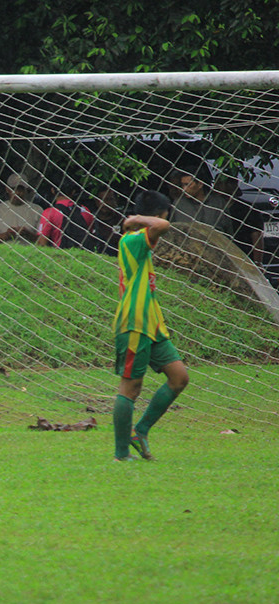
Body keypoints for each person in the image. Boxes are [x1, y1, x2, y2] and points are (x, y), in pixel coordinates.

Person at [111, 190, 190, 462]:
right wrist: (138, 220)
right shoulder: (132, 240)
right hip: (134, 321)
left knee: (179, 377)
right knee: (130, 387)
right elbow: (163, 226)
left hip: (153, 324)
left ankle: (140, 430)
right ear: (160, 213)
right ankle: (121, 454)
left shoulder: (137, 240)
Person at [214, 173, 264, 266]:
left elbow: (256, 236)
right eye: (215, 183)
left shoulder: (247, 209)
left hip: (244, 256)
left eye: (220, 184)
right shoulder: (212, 207)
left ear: (232, 186)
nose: (216, 187)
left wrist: (257, 262)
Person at [36, 178, 94, 249]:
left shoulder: (50, 212)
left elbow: (42, 242)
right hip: (83, 255)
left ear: (53, 190)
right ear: (73, 192)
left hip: (59, 255)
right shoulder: (85, 211)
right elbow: (90, 233)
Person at [0, 173, 42, 243]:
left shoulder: (37, 210)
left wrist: (28, 234)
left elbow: (43, 239)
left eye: (21, 189)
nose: (17, 193)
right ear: (7, 189)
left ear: (26, 190)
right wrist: (7, 235)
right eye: (14, 189)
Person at [171, 169, 231, 234]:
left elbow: (228, 230)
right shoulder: (179, 204)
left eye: (188, 185)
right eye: (182, 185)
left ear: (200, 184)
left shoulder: (218, 203)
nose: (184, 189)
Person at [86, 186, 123, 256]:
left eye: (109, 199)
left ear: (115, 201)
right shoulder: (91, 219)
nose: (105, 203)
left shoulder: (121, 219)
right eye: (101, 199)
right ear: (96, 201)